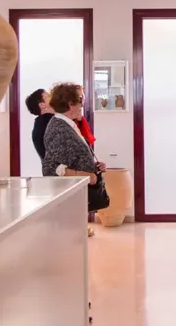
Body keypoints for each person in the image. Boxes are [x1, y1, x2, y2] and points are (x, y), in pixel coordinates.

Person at [42, 83, 108, 239]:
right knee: (71, 244)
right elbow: (50, 167)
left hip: (76, 196)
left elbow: (73, 155)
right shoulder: (58, 127)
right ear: (70, 104)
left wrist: (94, 166)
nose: (81, 106)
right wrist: (83, 175)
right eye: (80, 102)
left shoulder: (67, 125)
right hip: (68, 199)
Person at [25, 88, 55, 160]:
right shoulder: (48, 122)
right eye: (49, 96)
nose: (53, 97)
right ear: (42, 105)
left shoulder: (41, 122)